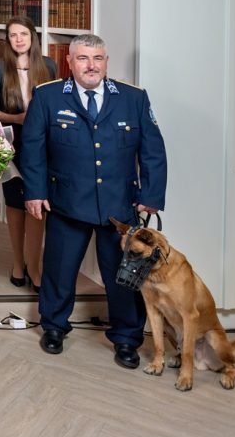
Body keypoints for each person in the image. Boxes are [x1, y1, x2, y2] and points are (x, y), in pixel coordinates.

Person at [21, 33, 167, 369]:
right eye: (83, 58)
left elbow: (153, 151)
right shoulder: (48, 96)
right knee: (59, 270)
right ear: (69, 62)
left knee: (124, 276)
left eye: (97, 58)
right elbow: (32, 149)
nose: (91, 65)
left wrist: (150, 196)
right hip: (66, 202)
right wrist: (35, 191)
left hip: (120, 205)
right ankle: (54, 327)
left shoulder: (133, 98)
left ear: (106, 62)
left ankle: (127, 338)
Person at [0, 16, 56, 291]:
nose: (19, 39)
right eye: (13, 35)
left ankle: (34, 267)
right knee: (15, 205)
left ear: (33, 36)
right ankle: (17, 262)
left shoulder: (48, 65)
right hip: (11, 142)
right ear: (8, 40)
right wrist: (14, 118)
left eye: (23, 34)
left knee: (37, 204)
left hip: (43, 145)